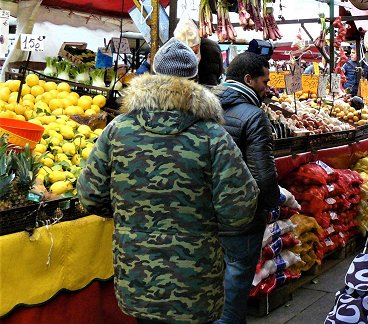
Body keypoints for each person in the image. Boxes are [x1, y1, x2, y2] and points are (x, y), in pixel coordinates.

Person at [77, 38, 259, 323]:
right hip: (195, 280)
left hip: (137, 275)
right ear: (196, 80)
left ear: (152, 73)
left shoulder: (117, 131)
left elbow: (89, 196)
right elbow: (239, 211)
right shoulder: (212, 136)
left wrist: (129, 215)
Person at [212, 52, 281, 324]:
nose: (267, 87)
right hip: (241, 215)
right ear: (248, 80)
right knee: (237, 279)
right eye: (264, 81)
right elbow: (262, 173)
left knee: (213, 280)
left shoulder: (204, 107)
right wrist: (273, 202)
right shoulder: (254, 116)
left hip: (207, 210)